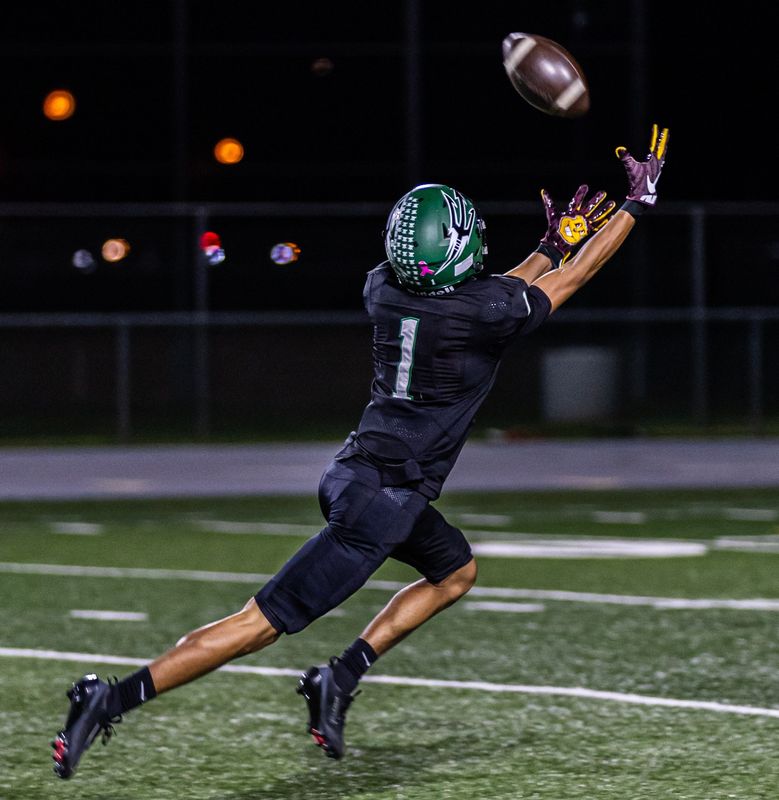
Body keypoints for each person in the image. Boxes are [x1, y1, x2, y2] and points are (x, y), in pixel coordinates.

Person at [52, 124, 668, 778]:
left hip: (357, 475)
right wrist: (636, 204)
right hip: (383, 503)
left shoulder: (386, 287)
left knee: (454, 572)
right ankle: (111, 697)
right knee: (257, 624)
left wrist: (547, 244)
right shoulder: (479, 311)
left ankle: (337, 678)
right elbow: (568, 280)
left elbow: (510, 291)